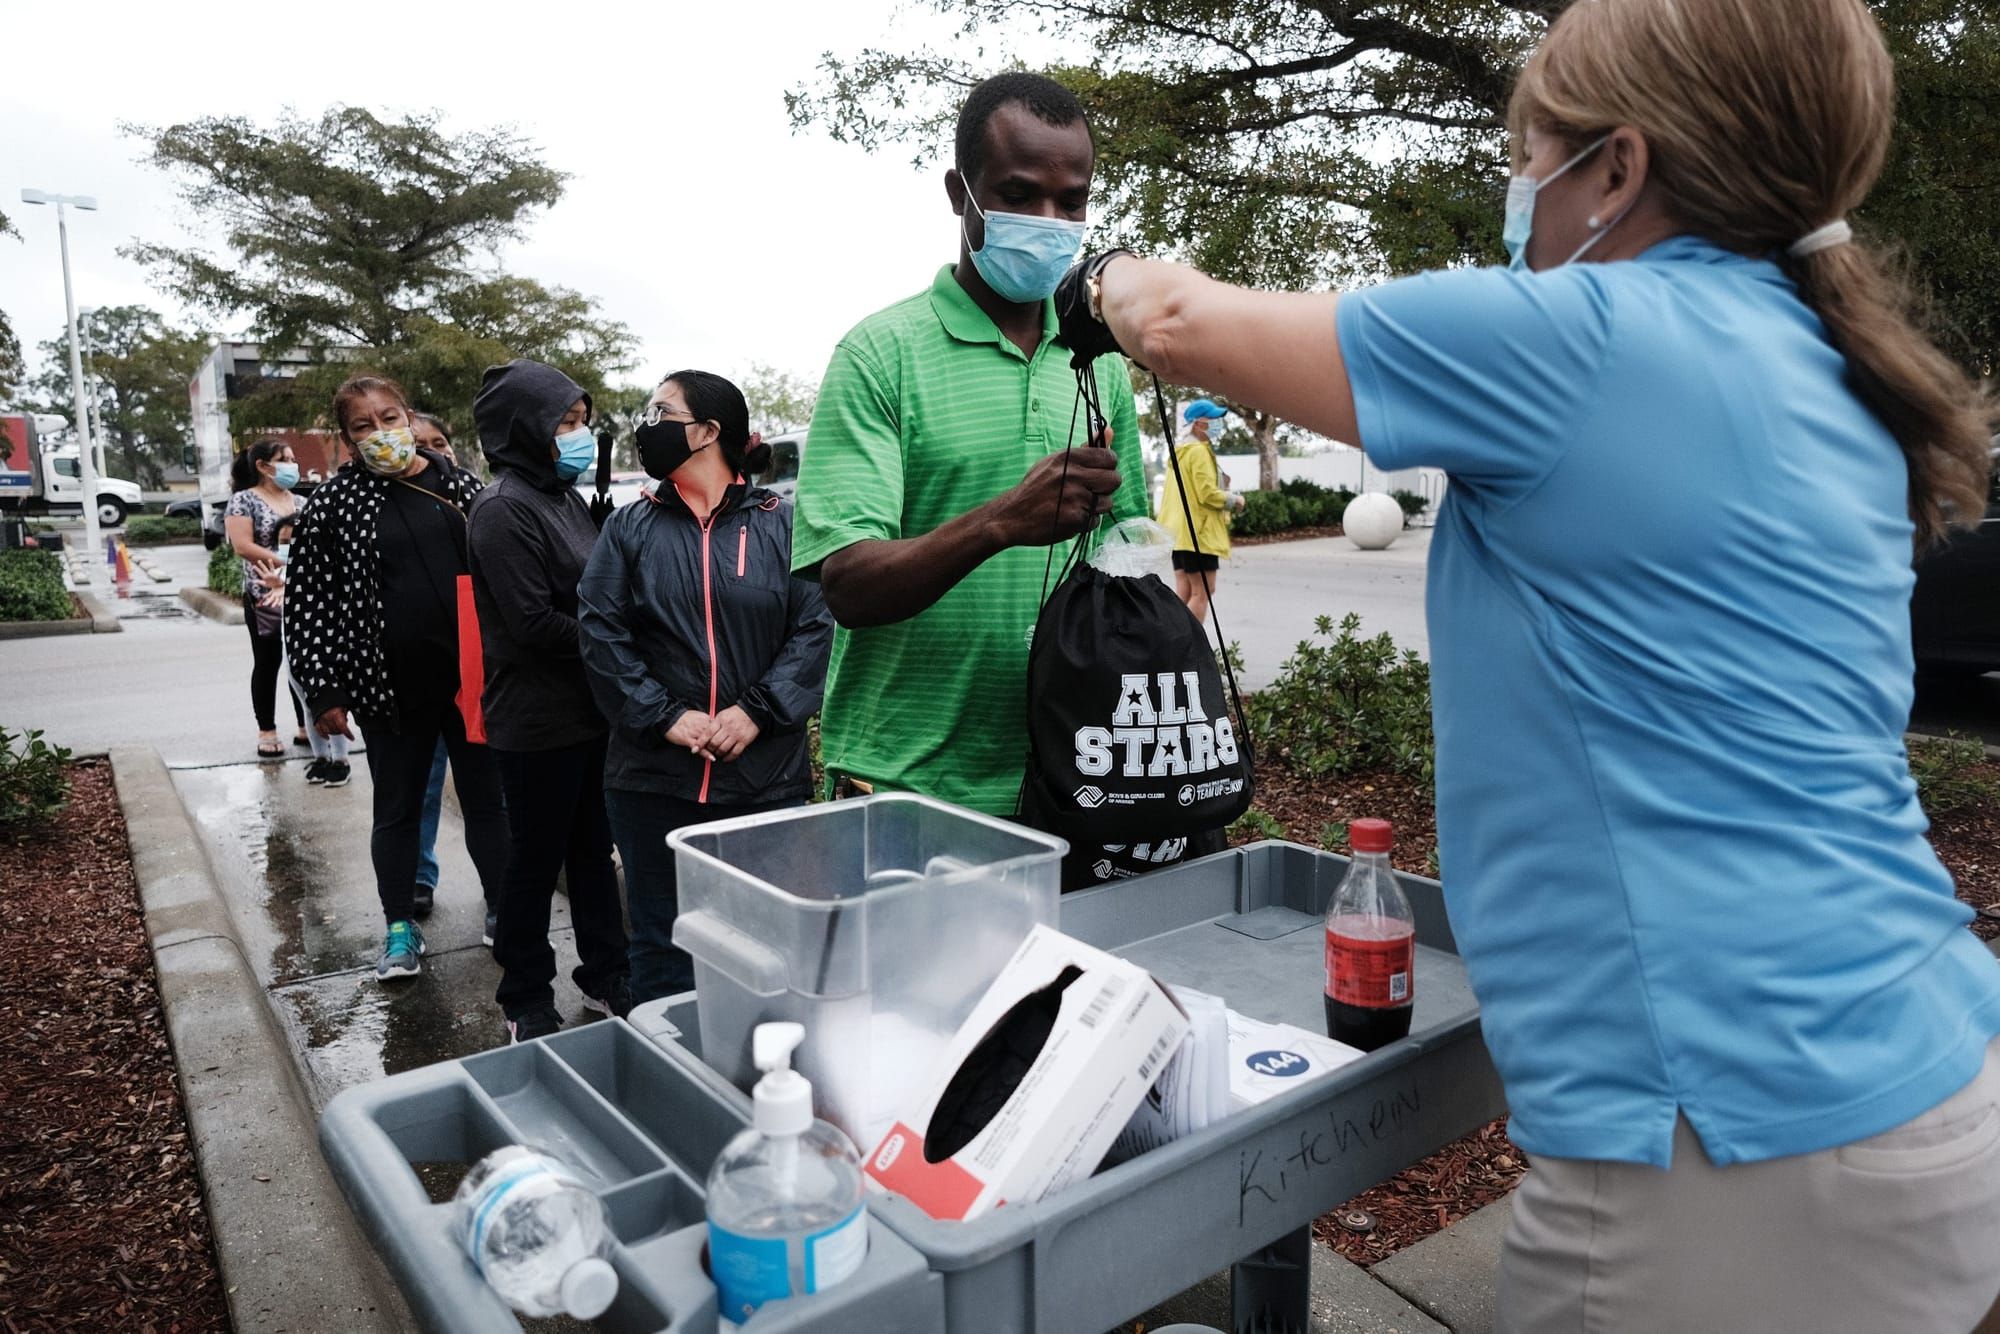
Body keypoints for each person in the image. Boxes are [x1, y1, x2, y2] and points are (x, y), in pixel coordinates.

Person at [1058, 0, 2000, 1327]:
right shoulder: (1834, 367)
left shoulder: (1576, 340)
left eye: (1528, 143)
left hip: (1720, 1157)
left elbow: (1174, 318)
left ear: (1616, 168)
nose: (1520, 182)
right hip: (1928, 1064)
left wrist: (1090, 274)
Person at [791, 71, 1148, 816]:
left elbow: (1126, 561)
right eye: (1018, 195)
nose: (1050, 220)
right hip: (904, 793)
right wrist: (999, 523)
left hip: (1070, 781)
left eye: (1072, 201)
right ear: (961, 193)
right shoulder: (879, 355)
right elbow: (848, 585)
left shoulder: (1101, 365)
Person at [580, 370, 832, 1004]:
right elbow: (600, 632)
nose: (648, 423)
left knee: (768, 944)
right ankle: (669, 1076)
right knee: (662, 946)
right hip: (651, 778)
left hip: (764, 780)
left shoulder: (785, 523)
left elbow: (817, 627)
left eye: (663, 411)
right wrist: (666, 716)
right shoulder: (630, 528)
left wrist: (756, 713)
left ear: (709, 431)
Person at [286, 373, 510, 982]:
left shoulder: (460, 487)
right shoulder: (333, 506)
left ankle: (503, 912)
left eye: (389, 418)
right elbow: (310, 606)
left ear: (408, 417)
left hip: (472, 683)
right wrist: (324, 690)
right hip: (387, 689)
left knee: (489, 804)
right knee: (398, 811)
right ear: (346, 439)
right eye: (363, 426)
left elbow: (501, 576)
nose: (380, 433)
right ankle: (399, 929)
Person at [468, 360, 632, 1042]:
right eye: (565, 422)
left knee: (594, 855)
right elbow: (532, 624)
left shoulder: (562, 498)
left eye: (582, 422)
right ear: (524, 429)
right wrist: (621, 643)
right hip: (535, 722)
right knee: (533, 863)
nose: (579, 434)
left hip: (590, 714)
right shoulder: (503, 509)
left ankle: (606, 975)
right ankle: (526, 995)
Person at [224, 439, 307, 758]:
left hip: (300, 594)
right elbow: (243, 546)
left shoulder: (299, 501)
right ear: (262, 466)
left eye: (292, 457)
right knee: (268, 662)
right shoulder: (243, 501)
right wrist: (289, 562)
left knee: (301, 662)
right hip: (263, 597)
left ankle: (306, 725)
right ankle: (267, 729)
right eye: (283, 459)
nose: (291, 463)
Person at [406, 410, 457, 926]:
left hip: (483, 679)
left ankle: (500, 895)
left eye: (439, 442)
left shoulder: (474, 500)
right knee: (422, 787)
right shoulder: (382, 506)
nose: (430, 452)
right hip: (422, 680)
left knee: (496, 797)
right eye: (418, 444)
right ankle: (419, 877)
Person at [268, 515, 351, 788]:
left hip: (322, 653)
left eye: (293, 541)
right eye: (282, 542)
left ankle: (341, 760)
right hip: (294, 658)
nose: (288, 546)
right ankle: (321, 757)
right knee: (307, 705)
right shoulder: (279, 573)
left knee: (329, 702)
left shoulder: (322, 570)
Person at [1157, 397, 1242, 624]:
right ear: (1199, 422)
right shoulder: (1198, 451)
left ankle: (1170, 644)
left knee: (1184, 591)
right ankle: (1191, 650)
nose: (1217, 424)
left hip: (1179, 534)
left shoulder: (1180, 452)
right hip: (1199, 533)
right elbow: (1206, 494)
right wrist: (1234, 500)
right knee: (1203, 592)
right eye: (1213, 418)